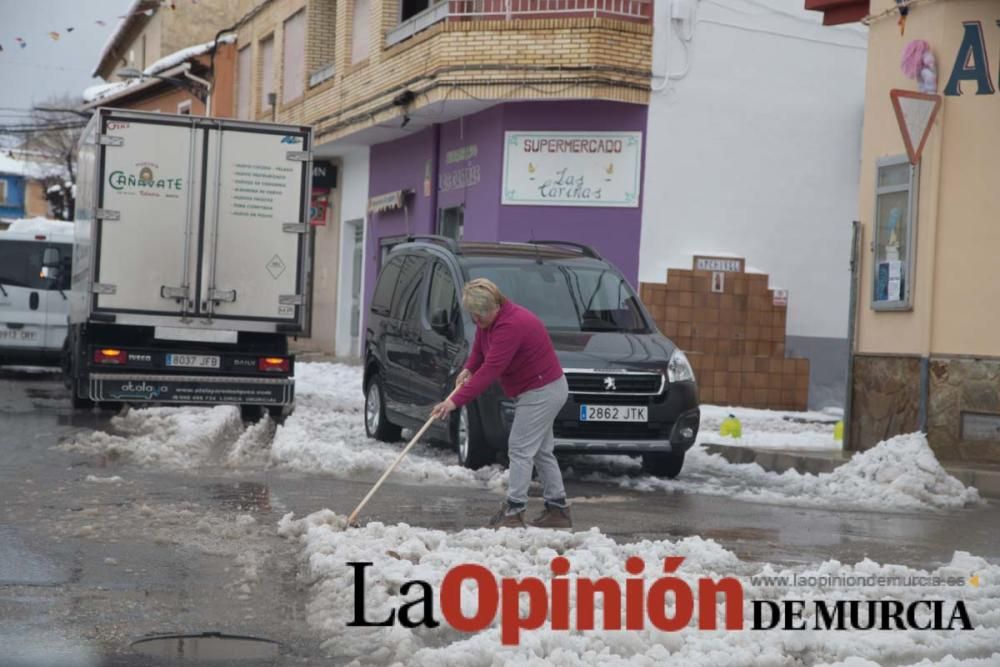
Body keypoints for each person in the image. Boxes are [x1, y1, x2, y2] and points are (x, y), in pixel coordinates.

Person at [431, 278, 571, 529]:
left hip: (542, 390)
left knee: (519, 448)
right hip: (537, 389)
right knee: (540, 450)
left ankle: (515, 510)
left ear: (494, 306)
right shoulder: (489, 322)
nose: (477, 322)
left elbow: (491, 369)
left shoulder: (511, 325)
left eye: (480, 316)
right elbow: (480, 352)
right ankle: (557, 509)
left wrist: (453, 402)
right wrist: (468, 369)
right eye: (473, 317)